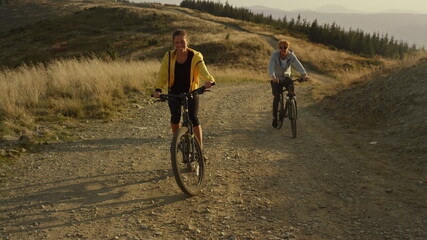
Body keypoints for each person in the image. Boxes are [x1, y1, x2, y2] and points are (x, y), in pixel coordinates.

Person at [152, 29, 215, 149]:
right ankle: (179, 142)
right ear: (173, 43)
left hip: (191, 92)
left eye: (182, 42)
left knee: (193, 118)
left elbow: (203, 69)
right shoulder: (169, 56)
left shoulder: (195, 56)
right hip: (174, 93)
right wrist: (158, 89)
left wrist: (209, 80)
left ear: (187, 41)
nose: (179, 45)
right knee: (175, 118)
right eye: (177, 43)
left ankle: (199, 149)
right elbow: (162, 74)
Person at [268, 40, 309, 128]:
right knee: (277, 97)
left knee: (291, 92)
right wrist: (273, 77)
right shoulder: (274, 55)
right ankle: (275, 117)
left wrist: (304, 74)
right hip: (277, 79)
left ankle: (292, 106)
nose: (283, 49)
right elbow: (271, 67)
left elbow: (298, 64)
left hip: (286, 77)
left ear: (288, 48)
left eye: (285, 47)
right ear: (278, 48)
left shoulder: (291, 56)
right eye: (281, 47)